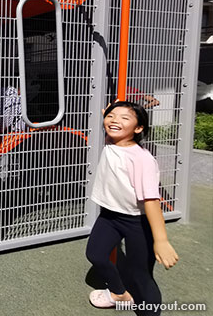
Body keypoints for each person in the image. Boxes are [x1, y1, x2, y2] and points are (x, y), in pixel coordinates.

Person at [86, 101, 178, 314]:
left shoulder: (141, 159)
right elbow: (113, 122)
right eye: (111, 116)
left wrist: (161, 240)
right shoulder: (112, 140)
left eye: (124, 118)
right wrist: (112, 114)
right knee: (96, 254)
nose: (115, 120)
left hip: (137, 221)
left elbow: (151, 201)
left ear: (138, 129)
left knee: (140, 276)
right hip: (109, 216)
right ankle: (119, 293)